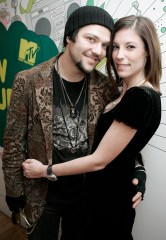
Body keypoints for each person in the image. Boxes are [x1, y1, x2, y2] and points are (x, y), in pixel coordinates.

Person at [2, 7, 146, 240]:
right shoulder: (28, 81)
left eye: (105, 46)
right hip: (42, 196)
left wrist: (139, 170)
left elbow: (120, 139)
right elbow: (13, 142)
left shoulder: (107, 87)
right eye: (91, 39)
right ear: (69, 37)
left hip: (86, 197)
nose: (98, 51)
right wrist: (14, 191)